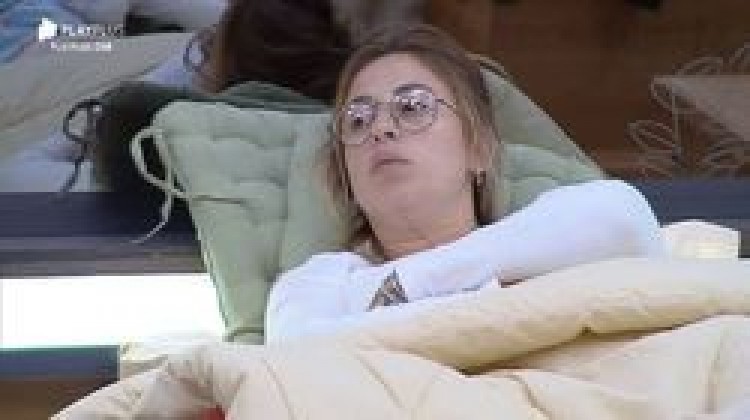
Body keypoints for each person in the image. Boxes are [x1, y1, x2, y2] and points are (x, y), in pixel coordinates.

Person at [265, 23, 667, 343]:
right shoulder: (317, 285)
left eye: (413, 106)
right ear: (345, 176)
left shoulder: (550, 236)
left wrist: (401, 286)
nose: (381, 128)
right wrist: (493, 293)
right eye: (358, 119)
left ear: (479, 148)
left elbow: (627, 219)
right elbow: (300, 353)